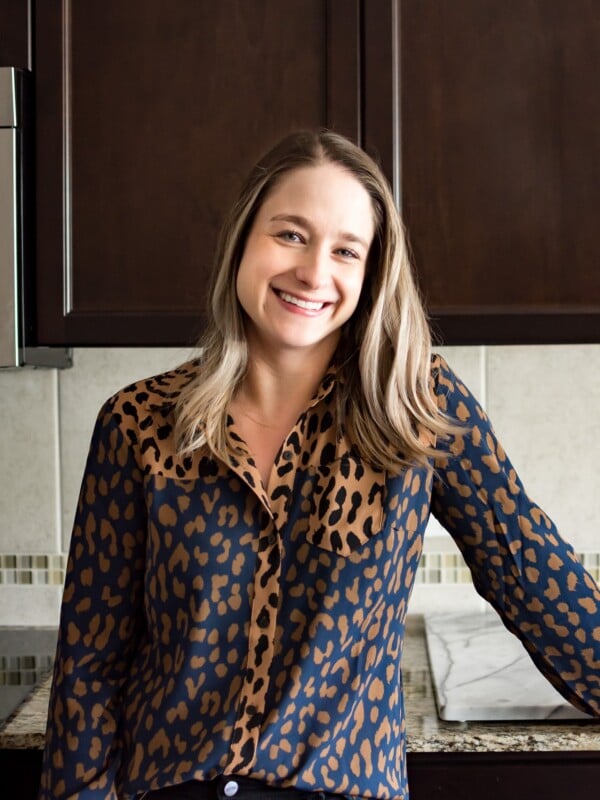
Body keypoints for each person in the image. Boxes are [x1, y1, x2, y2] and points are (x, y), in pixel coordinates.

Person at [38, 129, 600, 800]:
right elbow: (90, 668)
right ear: (244, 239)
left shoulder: (417, 404)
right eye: (291, 235)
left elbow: (531, 572)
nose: (312, 273)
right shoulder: (137, 424)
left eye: (345, 251)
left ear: (369, 274)